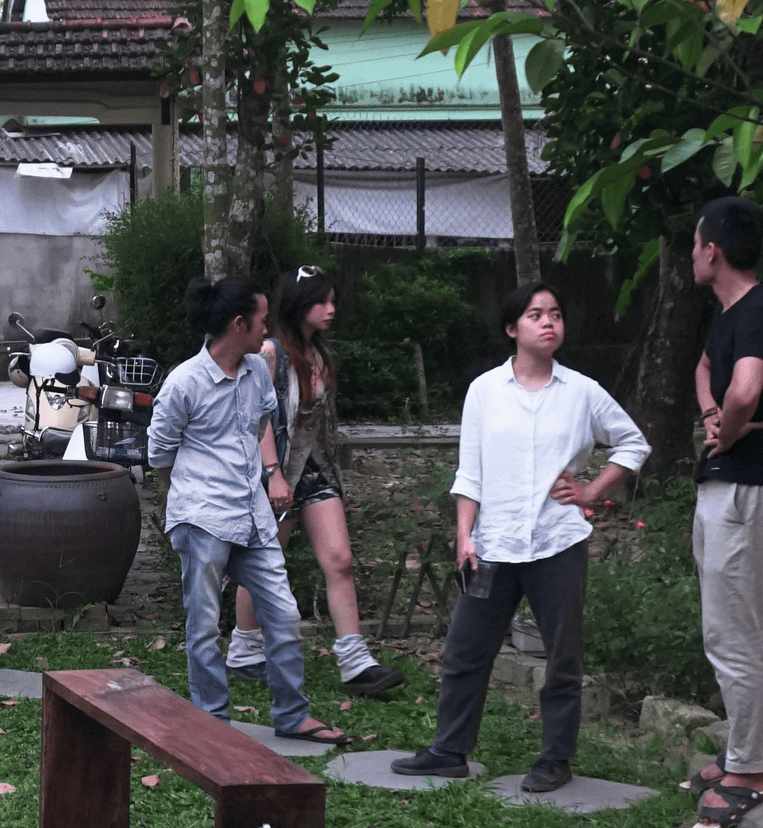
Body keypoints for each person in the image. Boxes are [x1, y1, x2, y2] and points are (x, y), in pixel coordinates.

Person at [391, 284, 649, 790]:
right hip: (493, 545)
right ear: (513, 329)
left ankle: (555, 758)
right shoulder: (485, 390)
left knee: (562, 654)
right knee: (465, 649)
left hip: (558, 542)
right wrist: (464, 537)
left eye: (555, 314)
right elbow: (471, 474)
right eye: (536, 315)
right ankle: (448, 749)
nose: (548, 322)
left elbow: (633, 443)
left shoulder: (583, 392)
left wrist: (592, 489)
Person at [149, 276, 347, 744]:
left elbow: (260, 425)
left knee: (283, 615)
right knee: (202, 627)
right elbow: (159, 454)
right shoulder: (185, 382)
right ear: (239, 324)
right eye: (260, 319)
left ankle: (292, 715)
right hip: (203, 519)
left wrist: (267, 475)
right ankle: (212, 723)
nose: (267, 328)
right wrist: (194, 494)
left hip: (254, 515)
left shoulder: (258, 369)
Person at [677, 196, 763, 828]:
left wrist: (726, 432)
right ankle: (741, 758)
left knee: (735, 636)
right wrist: (714, 417)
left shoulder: (760, 312)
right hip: (728, 488)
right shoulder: (729, 314)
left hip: (747, 491)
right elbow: (709, 371)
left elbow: (747, 388)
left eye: (695, 243)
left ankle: (752, 775)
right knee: (731, 631)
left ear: (712, 249)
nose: (692, 252)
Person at [227, 266, 405, 696]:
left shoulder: (319, 355)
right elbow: (257, 417)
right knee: (265, 563)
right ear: (299, 304)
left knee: (339, 559)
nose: (331, 309)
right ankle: (245, 649)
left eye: (332, 300)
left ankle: (355, 661)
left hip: (316, 471)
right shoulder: (271, 353)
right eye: (322, 302)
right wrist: (271, 475)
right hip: (278, 473)